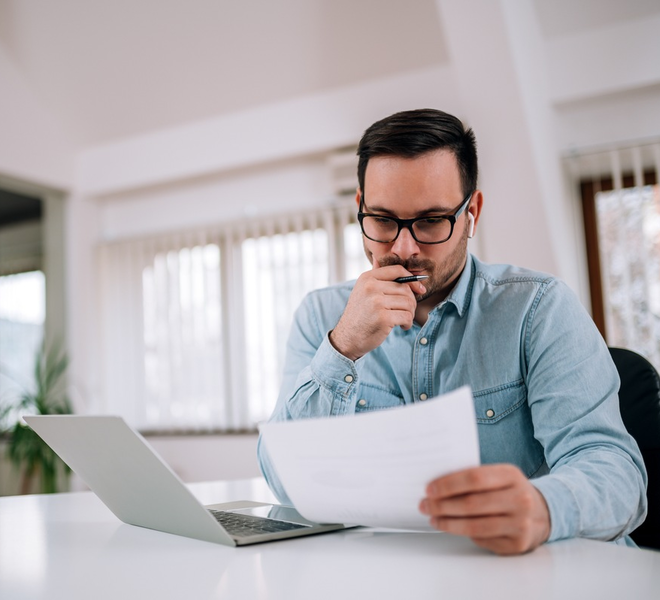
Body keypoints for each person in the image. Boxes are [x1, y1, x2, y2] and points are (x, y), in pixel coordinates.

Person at [257, 108, 647, 555]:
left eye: (430, 222)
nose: (403, 248)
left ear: (471, 213)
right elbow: (284, 484)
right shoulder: (321, 316)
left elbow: (619, 477)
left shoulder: (539, 308)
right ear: (360, 207)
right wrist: (342, 347)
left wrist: (543, 507)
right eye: (383, 220)